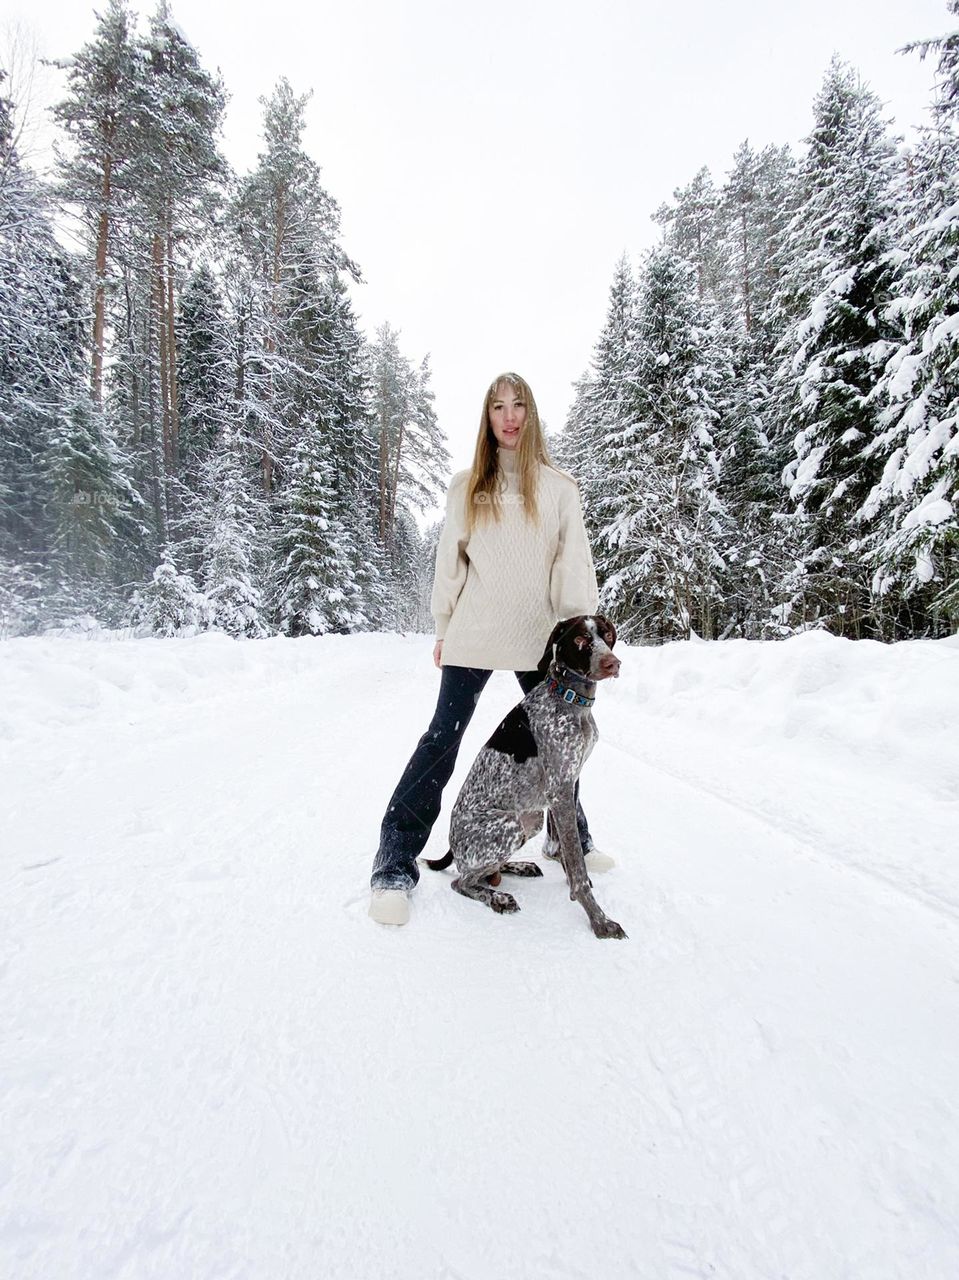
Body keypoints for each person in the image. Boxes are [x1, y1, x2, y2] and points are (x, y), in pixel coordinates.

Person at [369, 371, 614, 926]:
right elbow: (450, 565)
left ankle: (566, 837)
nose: (508, 416)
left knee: (560, 744)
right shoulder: (467, 487)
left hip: (539, 641)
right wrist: (442, 629)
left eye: (518, 405)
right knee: (442, 739)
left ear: (531, 415)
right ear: (487, 418)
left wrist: (580, 632)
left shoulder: (558, 488)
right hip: (475, 633)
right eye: (497, 407)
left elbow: (571, 565)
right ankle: (394, 860)